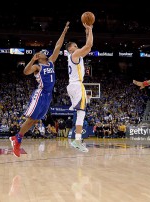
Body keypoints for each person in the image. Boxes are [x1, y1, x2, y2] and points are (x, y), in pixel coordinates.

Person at [9, 21, 70, 157]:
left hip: (48, 96)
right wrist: (32, 60)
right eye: (41, 52)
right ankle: (17, 139)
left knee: (36, 120)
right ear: (38, 57)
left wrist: (64, 32)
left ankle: (17, 139)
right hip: (40, 93)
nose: (44, 52)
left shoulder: (50, 62)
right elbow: (25, 72)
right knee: (31, 118)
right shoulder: (38, 66)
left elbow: (58, 46)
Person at [65, 23, 93, 152]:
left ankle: (77, 139)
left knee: (80, 113)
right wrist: (91, 29)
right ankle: (77, 140)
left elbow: (87, 47)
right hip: (77, 85)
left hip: (72, 85)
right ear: (70, 49)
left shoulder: (75, 56)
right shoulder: (74, 55)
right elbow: (88, 46)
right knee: (81, 113)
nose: (77, 47)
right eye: (75, 46)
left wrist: (87, 31)